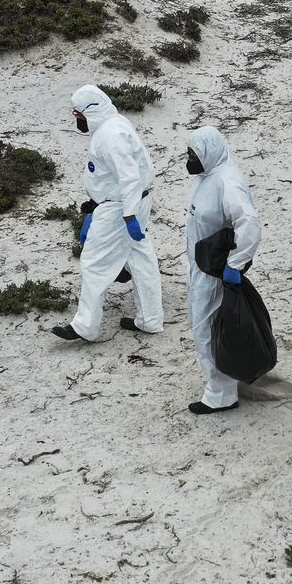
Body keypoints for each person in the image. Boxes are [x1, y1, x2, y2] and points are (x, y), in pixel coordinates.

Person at [52, 86, 163, 341]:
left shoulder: (110, 135)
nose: (77, 119)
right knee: (139, 258)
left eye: (78, 115)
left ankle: (85, 326)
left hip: (121, 208)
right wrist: (96, 202)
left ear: (90, 112)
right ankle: (150, 318)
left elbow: (130, 175)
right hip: (126, 202)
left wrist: (128, 215)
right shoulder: (113, 125)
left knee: (94, 262)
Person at [183, 127, 261, 415]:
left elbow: (249, 222)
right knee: (204, 323)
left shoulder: (227, 181)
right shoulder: (209, 177)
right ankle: (226, 382)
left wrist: (236, 264)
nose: (189, 159)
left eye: (193, 154)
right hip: (201, 266)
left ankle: (221, 394)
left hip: (215, 271)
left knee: (209, 329)